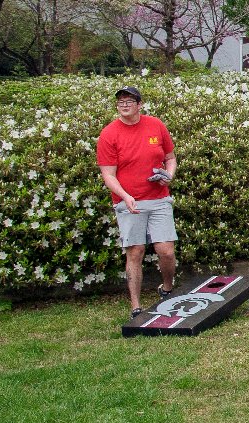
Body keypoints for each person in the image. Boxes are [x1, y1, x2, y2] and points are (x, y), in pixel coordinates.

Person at [96, 86, 178, 318]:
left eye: (129, 101)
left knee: (166, 251)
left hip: (159, 198)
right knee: (135, 251)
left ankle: (167, 288)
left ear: (139, 104)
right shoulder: (109, 134)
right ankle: (136, 306)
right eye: (120, 101)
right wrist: (125, 196)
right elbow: (108, 175)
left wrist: (168, 175)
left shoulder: (156, 125)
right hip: (129, 203)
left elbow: (170, 159)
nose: (124, 105)